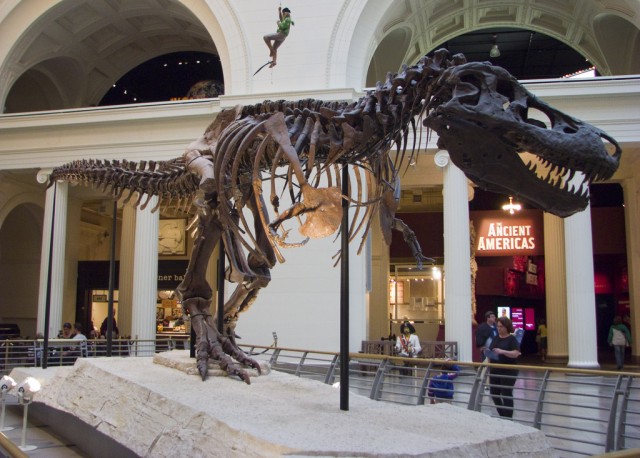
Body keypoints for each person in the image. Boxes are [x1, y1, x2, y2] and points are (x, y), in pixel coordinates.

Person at [484, 316, 521, 419]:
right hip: (495, 369)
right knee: (494, 393)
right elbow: (491, 351)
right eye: (498, 326)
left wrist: (502, 352)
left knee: (506, 393)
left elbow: (516, 353)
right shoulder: (496, 338)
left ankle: (508, 417)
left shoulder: (512, 339)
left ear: (506, 327)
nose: (499, 328)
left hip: (508, 370)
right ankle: (503, 415)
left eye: (501, 326)